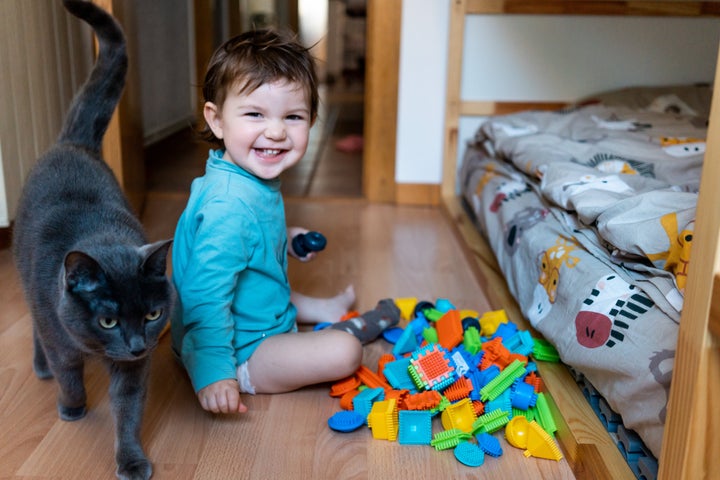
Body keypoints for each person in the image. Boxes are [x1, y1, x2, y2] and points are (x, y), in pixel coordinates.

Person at [170, 29, 400, 415]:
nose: (276, 131)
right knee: (346, 351)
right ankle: (223, 366)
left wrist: (287, 240)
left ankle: (323, 309)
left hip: (251, 312)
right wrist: (215, 371)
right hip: (239, 347)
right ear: (217, 120)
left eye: (292, 117)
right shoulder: (228, 205)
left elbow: (249, 244)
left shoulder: (245, 178)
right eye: (255, 114)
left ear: (311, 120)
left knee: (267, 285)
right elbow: (204, 295)